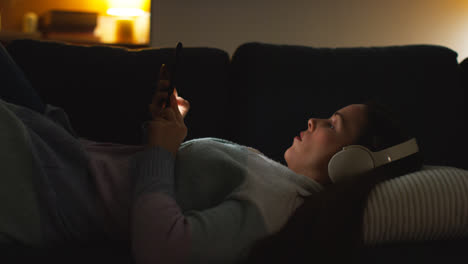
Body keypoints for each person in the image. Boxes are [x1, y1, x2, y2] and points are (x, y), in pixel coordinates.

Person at [0, 43, 422, 264]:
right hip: (61, 143)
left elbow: (162, 250)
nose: (314, 121)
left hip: (49, 183)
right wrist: (171, 132)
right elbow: (169, 184)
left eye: (333, 124)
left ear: (352, 164)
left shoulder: (275, 206)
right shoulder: (275, 179)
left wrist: (162, 152)